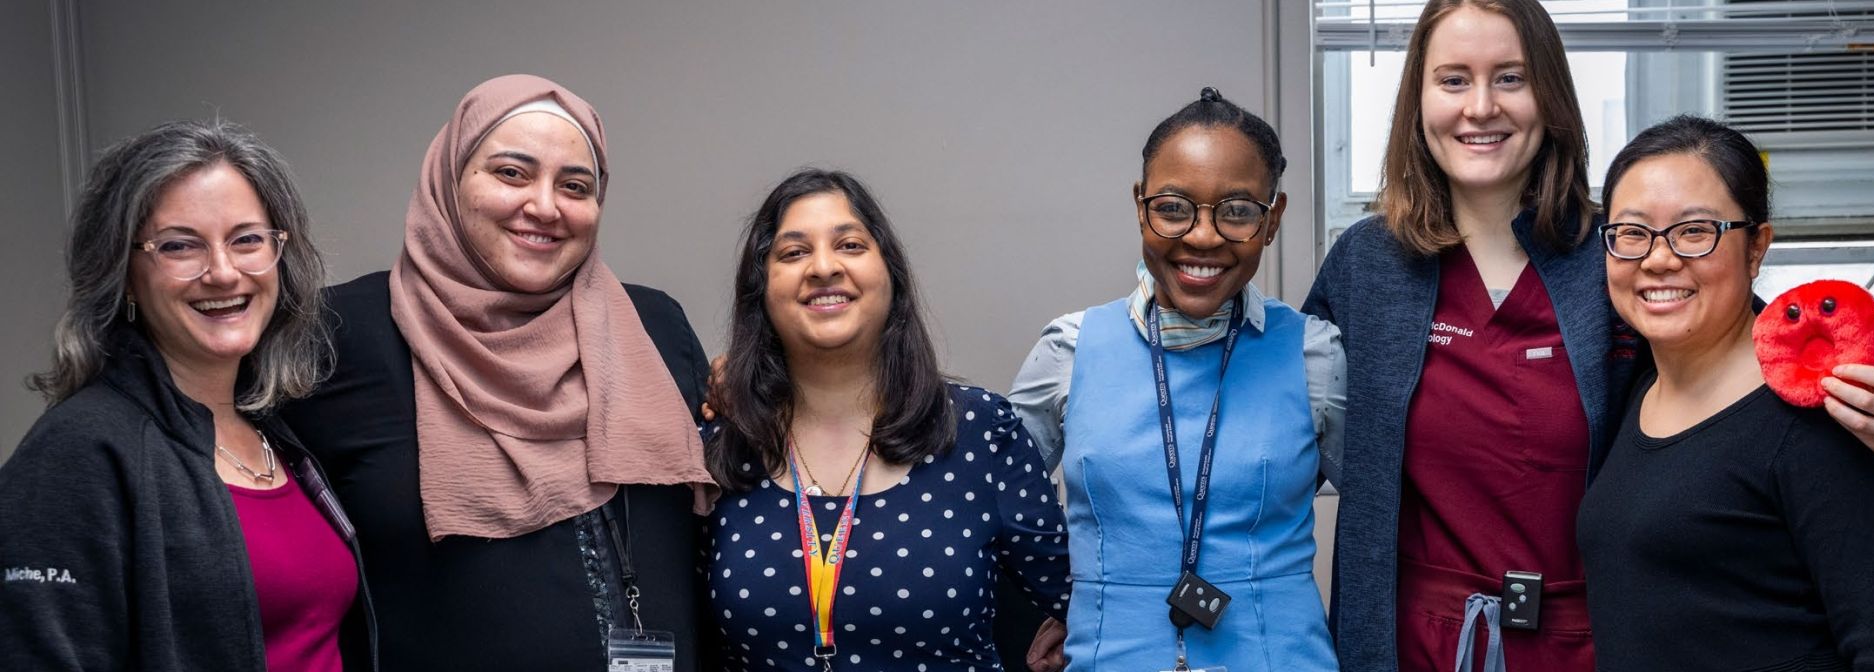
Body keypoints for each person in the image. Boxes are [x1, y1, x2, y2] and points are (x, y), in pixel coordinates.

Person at [1302, 2, 1874, 671]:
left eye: (1510, 77)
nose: (1480, 107)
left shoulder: (1621, 255)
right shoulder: (1368, 265)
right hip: (1413, 638)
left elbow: (1760, 366)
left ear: (1550, 96)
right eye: (1453, 80)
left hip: (1593, 639)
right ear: (1417, 100)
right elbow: (1277, 422)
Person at [278, 75, 715, 670]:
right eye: (511, 173)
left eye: (575, 185)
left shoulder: (653, 327)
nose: (544, 205)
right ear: (449, 180)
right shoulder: (342, 334)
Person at [0, 119, 370, 670]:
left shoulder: (276, 433)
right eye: (179, 246)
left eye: (246, 240)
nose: (223, 272)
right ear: (124, 273)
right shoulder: (79, 451)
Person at [1010, 87, 1341, 671]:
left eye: (1237, 210)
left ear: (1273, 219)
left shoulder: (1313, 355)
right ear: (1141, 206)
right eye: (1173, 207)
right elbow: (994, 510)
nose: (1203, 237)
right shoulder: (1070, 350)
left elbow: (1387, 516)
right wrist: (1066, 601)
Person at [1575, 115, 1874, 671]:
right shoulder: (1635, 391)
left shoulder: (1815, 420)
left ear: (1756, 248)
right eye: (1632, 233)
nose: (1658, 258)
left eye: (1694, 231)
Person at [704, 169, 1070, 671]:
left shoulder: (979, 431)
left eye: (850, 245)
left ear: (890, 275)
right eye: (793, 253)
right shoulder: (720, 448)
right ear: (760, 289)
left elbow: (1088, 597)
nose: (824, 267)